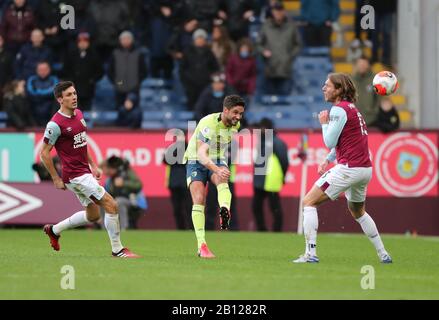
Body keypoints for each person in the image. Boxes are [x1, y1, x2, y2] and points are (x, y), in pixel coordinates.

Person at [293, 73, 392, 264]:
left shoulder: (338, 110)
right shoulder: (353, 109)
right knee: (358, 212)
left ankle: (310, 254)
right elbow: (345, 141)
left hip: (349, 168)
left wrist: (323, 124)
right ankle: (383, 253)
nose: (323, 88)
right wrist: (329, 160)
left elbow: (329, 140)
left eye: (327, 85)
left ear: (338, 90)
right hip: (364, 170)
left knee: (308, 202)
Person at [41, 81, 140, 258]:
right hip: (75, 176)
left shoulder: (78, 114)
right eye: (69, 95)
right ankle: (118, 250)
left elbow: (81, 143)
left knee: (93, 215)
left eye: (74, 93)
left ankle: (54, 230)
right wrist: (56, 178)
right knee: (111, 204)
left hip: (84, 172)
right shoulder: (55, 125)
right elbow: (44, 154)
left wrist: (93, 165)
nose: (74, 97)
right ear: (59, 99)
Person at [184, 95, 245, 258]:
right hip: (195, 160)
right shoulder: (207, 124)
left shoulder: (235, 125)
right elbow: (201, 154)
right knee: (199, 198)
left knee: (222, 178)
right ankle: (202, 246)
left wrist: (219, 168)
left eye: (241, 114)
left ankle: (225, 209)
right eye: (235, 112)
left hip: (217, 157)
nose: (238, 117)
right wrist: (217, 169)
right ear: (225, 110)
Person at [252, 118, 289, 232]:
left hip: (270, 179)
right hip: (260, 179)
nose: (259, 130)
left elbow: (284, 161)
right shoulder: (262, 141)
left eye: (261, 127)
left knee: (274, 207)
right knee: (256, 206)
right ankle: (262, 229)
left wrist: (282, 176)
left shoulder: (277, 142)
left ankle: (276, 230)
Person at [101, 155, 144, 230]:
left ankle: (125, 228)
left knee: (119, 201)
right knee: (102, 201)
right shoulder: (109, 180)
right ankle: (105, 229)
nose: (107, 171)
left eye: (110, 168)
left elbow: (138, 185)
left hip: (132, 201)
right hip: (116, 200)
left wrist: (124, 183)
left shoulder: (127, 172)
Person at [164, 130, 192, 230]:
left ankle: (191, 228)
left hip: (186, 182)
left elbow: (185, 159)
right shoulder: (172, 148)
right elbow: (165, 160)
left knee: (189, 207)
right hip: (174, 183)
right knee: (177, 208)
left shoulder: (189, 147)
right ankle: (181, 228)